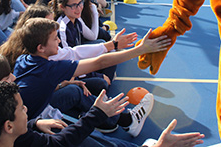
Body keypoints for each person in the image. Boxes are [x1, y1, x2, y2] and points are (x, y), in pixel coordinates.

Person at [14, 18, 171, 137]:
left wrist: (65, 82)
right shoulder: (48, 69)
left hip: (30, 116)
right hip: (30, 127)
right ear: (41, 48)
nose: (59, 41)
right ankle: (122, 121)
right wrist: (140, 50)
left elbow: (36, 87)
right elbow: (99, 62)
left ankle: (122, 120)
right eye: (55, 39)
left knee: (76, 92)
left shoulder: (24, 60)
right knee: (91, 138)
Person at [0, 82, 204, 147]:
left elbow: (58, 141)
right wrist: (97, 113)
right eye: (21, 108)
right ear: (7, 126)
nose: (26, 109)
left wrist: (36, 121)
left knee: (64, 130)